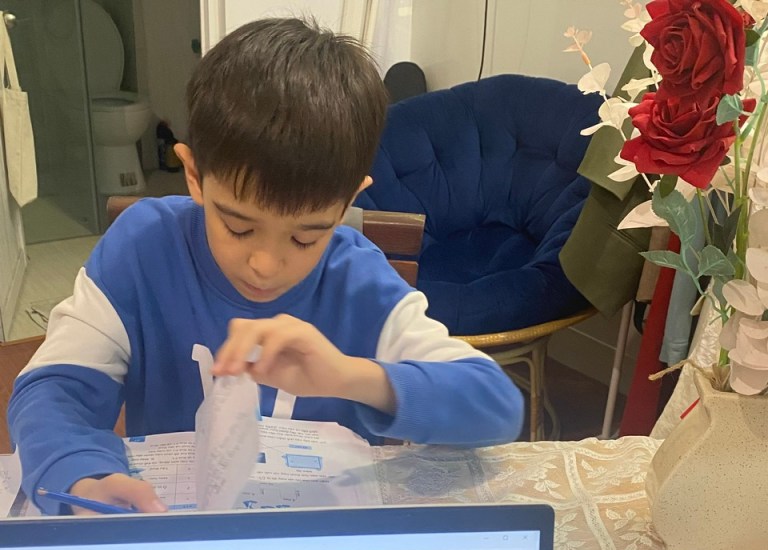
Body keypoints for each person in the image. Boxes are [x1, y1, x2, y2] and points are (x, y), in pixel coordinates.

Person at [9, 18, 524, 515]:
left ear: (349, 201)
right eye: (237, 227)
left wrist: (350, 376)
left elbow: (497, 406)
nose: (265, 265)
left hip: (313, 542)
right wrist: (79, 472)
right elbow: (53, 387)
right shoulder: (142, 250)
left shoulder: (359, 281)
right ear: (194, 175)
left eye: (306, 236)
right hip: (181, 529)